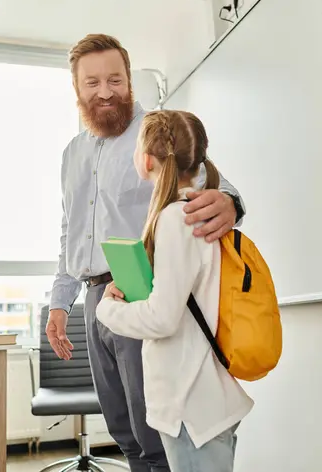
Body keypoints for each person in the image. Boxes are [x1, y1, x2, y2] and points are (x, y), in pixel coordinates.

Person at [46, 34, 246, 472]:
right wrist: (59, 302)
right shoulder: (72, 153)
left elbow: (215, 182)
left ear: (129, 79)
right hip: (95, 300)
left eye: (115, 79)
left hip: (142, 292)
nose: (105, 92)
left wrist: (231, 203)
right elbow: (71, 232)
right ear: (76, 89)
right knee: (122, 431)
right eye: (92, 82)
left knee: (153, 433)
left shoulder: (156, 131)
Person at [96, 109, 254, 472]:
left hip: (192, 404)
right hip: (203, 399)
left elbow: (162, 318)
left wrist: (107, 310)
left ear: (145, 159)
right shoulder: (198, 213)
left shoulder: (174, 218)